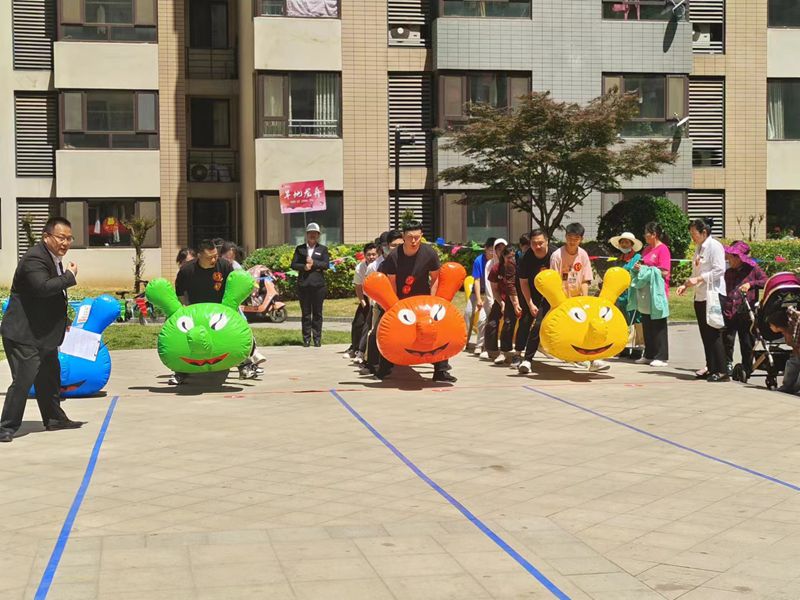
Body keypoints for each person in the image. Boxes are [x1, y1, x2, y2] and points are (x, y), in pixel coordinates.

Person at [1, 217, 84, 442]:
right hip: (24, 334)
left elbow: (49, 298)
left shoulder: (52, 258)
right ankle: (6, 427)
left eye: (69, 238)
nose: (65, 243)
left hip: (43, 333)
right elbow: (42, 288)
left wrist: (63, 319)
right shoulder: (34, 258)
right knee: (24, 380)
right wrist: (69, 277)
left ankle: (54, 419)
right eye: (61, 238)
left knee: (49, 378)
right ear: (46, 237)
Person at [377, 221, 456, 382]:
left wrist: (434, 302)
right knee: (383, 329)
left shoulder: (430, 253)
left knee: (438, 328)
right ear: (403, 237)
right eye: (410, 237)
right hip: (400, 301)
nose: (414, 241)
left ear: (421, 236)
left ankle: (441, 370)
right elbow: (391, 282)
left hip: (424, 301)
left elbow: (435, 279)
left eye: (417, 237)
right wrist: (394, 307)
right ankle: (382, 368)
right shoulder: (394, 256)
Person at [172, 239, 259, 383]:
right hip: (197, 313)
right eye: (209, 257)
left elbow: (233, 287)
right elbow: (180, 293)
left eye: (215, 256)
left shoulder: (224, 265)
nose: (213, 260)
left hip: (222, 310)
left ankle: (245, 366)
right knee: (186, 338)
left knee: (239, 334)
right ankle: (180, 371)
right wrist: (186, 310)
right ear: (199, 256)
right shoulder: (187, 270)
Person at [551, 223, 609, 372]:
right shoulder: (557, 256)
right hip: (562, 299)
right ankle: (575, 357)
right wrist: (563, 301)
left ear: (581, 239)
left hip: (578, 298)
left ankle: (594, 360)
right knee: (569, 330)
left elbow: (585, 279)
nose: (572, 241)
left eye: (576, 238)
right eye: (570, 238)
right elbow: (554, 281)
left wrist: (585, 300)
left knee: (587, 326)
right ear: (565, 237)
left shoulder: (583, 255)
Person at [677, 219, 728, 382]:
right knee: (705, 334)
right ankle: (711, 367)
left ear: (704, 232)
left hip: (713, 294)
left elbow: (719, 270)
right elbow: (696, 271)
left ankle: (722, 370)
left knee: (714, 333)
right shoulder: (699, 248)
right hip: (700, 295)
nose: (692, 237)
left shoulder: (715, 246)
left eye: (694, 234)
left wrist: (699, 279)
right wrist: (686, 284)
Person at [721, 241, 767, 377]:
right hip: (729, 310)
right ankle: (727, 364)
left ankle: (747, 367)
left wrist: (751, 284)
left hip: (746, 312)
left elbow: (765, 281)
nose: (728, 260)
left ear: (739, 258)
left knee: (747, 341)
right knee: (727, 340)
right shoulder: (728, 272)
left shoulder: (753, 269)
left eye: (731, 257)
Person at [361, 231, 403, 375]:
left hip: (404, 305)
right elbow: (369, 286)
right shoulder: (378, 265)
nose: (395, 248)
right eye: (392, 245)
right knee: (376, 333)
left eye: (399, 245)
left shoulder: (406, 261)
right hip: (382, 305)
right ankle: (371, 363)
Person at [633, 223, 672, 367]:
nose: (645, 235)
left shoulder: (663, 249)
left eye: (647, 233)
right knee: (647, 323)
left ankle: (661, 356)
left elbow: (665, 272)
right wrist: (639, 268)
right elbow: (644, 265)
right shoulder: (646, 249)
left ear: (654, 234)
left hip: (657, 291)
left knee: (658, 323)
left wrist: (647, 269)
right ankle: (649, 354)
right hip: (646, 291)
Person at [517, 229, 554, 375]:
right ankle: (520, 355)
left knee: (539, 324)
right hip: (532, 292)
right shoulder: (525, 258)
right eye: (534, 244)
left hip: (552, 293)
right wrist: (530, 303)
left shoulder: (555, 254)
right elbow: (523, 283)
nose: (537, 246)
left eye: (540, 243)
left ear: (547, 241)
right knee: (527, 321)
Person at [291, 223, 330, 347]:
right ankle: (306, 339)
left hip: (318, 286)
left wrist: (314, 263)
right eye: (310, 233)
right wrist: (304, 267)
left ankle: (317, 338)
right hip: (304, 285)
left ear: (318, 235)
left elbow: (326, 265)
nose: (312, 235)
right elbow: (293, 264)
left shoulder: (323, 249)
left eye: (315, 233)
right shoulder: (300, 249)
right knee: (306, 313)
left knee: (317, 313)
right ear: (307, 234)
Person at [609, 232, 644, 360]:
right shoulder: (619, 259)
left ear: (632, 244)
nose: (624, 244)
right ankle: (623, 347)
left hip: (633, 292)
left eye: (627, 242)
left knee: (636, 319)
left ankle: (638, 348)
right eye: (622, 242)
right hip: (621, 294)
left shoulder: (638, 258)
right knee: (623, 320)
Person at [463, 238, 495, 356]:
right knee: (468, 312)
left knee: (484, 318)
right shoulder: (478, 260)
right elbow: (476, 280)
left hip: (491, 292)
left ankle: (482, 344)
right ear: (485, 249)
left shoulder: (496, 261)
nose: (492, 253)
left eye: (494, 250)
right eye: (490, 250)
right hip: (477, 291)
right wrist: (479, 299)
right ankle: (464, 341)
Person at [347, 242, 379, 359]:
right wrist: (363, 302)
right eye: (369, 255)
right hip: (366, 297)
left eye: (374, 254)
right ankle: (354, 348)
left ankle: (363, 350)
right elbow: (358, 287)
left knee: (370, 325)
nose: (371, 257)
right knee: (358, 323)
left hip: (378, 297)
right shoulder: (360, 267)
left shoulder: (379, 264)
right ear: (365, 255)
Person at [492, 247, 523, 365]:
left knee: (523, 324)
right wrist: (502, 303)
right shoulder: (497, 268)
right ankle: (503, 352)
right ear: (503, 257)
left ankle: (518, 352)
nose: (511, 259)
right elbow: (495, 290)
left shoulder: (520, 266)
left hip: (520, 297)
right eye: (508, 257)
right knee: (508, 323)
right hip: (505, 299)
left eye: (513, 257)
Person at [481, 238, 508, 360]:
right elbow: (490, 286)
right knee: (491, 322)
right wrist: (495, 301)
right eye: (498, 249)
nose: (501, 252)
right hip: (497, 298)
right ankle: (490, 349)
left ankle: (506, 350)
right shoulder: (491, 265)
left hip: (512, 299)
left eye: (503, 249)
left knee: (509, 322)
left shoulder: (512, 263)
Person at [767, 308, 800, 395]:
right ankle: (787, 386)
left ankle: (795, 388)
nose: (770, 327)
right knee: (792, 362)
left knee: (794, 362)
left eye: (771, 325)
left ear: (777, 326)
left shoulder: (793, 330)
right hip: (797, 349)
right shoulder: (788, 329)